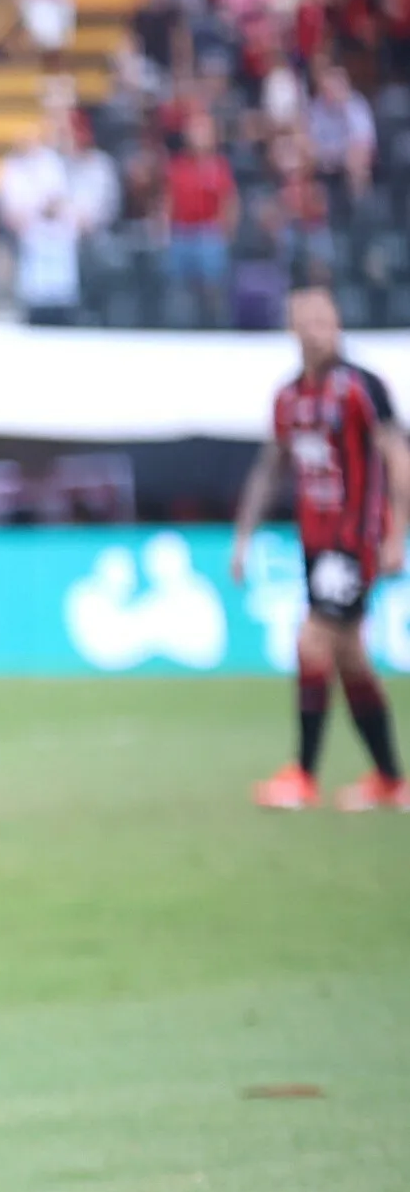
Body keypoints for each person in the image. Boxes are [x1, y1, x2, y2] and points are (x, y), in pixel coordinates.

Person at [233, 286, 409, 810]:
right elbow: (270, 469)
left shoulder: (362, 388)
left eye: (325, 318)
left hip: (355, 540)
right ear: (292, 328)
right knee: (351, 657)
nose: (318, 328)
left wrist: (398, 534)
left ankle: (303, 776)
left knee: (312, 642)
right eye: (307, 320)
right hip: (315, 543)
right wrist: (243, 537)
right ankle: (392, 781)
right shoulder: (289, 398)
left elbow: (398, 460)